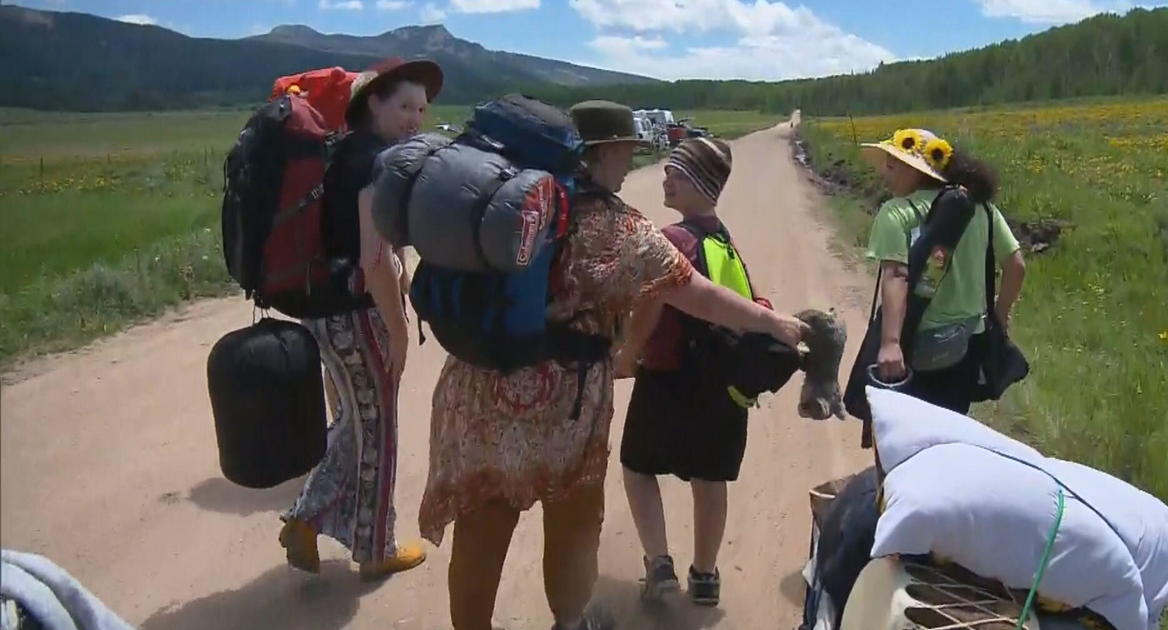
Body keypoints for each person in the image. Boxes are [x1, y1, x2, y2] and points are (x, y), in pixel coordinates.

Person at [417, 101, 809, 630]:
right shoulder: (613, 224)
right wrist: (773, 323)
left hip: (477, 388)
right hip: (563, 404)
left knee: (482, 525)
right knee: (572, 520)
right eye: (628, 151)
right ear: (604, 151)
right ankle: (571, 621)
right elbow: (694, 293)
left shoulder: (497, 207)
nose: (631, 164)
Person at [277, 57, 443, 578]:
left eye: (421, 108)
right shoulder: (377, 164)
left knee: (356, 419)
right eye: (404, 106)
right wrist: (396, 330)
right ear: (373, 103)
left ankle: (308, 519)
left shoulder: (348, 151)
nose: (415, 118)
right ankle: (375, 548)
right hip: (355, 314)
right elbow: (376, 259)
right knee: (379, 430)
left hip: (324, 309)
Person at [615, 138, 763, 606]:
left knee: (637, 466)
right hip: (721, 381)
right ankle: (705, 576)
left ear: (701, 182)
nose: (666, 178)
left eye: (676, 173)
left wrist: (628, 353)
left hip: (669, 375)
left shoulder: (673, 239)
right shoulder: (723, 239)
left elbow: (648, 307)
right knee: (709, 477)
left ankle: (659, 565)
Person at [861, 128, 1026, 414]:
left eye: (892, 164)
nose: (885, 173)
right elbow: (1016, 266)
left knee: (902, 435)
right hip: (968, 347)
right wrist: (1000, 315)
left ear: (916, 171)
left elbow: (896, 276)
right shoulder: (982, 208)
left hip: (915, 346)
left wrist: (889, 343)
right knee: (949, 429)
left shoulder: (896, 212)